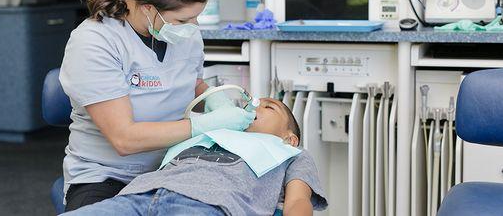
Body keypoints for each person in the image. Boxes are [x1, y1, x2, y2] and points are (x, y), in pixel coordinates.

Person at [59, 0, 256, 211]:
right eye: (184, 18)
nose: (194, 27)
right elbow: (124, 139)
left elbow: (190, 81)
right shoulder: (95, 41)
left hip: (175, 167)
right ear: (148, 8)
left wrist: (214, 98)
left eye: (196, 17)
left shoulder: (183, 33)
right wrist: (204, 125)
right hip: (107, 177)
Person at [61, 98, 328, 216]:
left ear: (289, 138)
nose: (255, 106)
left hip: (207, 206)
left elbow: (297, 202)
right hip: (139, 196)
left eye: (269, 107)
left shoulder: (291, 153)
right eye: (252, 103)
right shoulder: (208, 132)